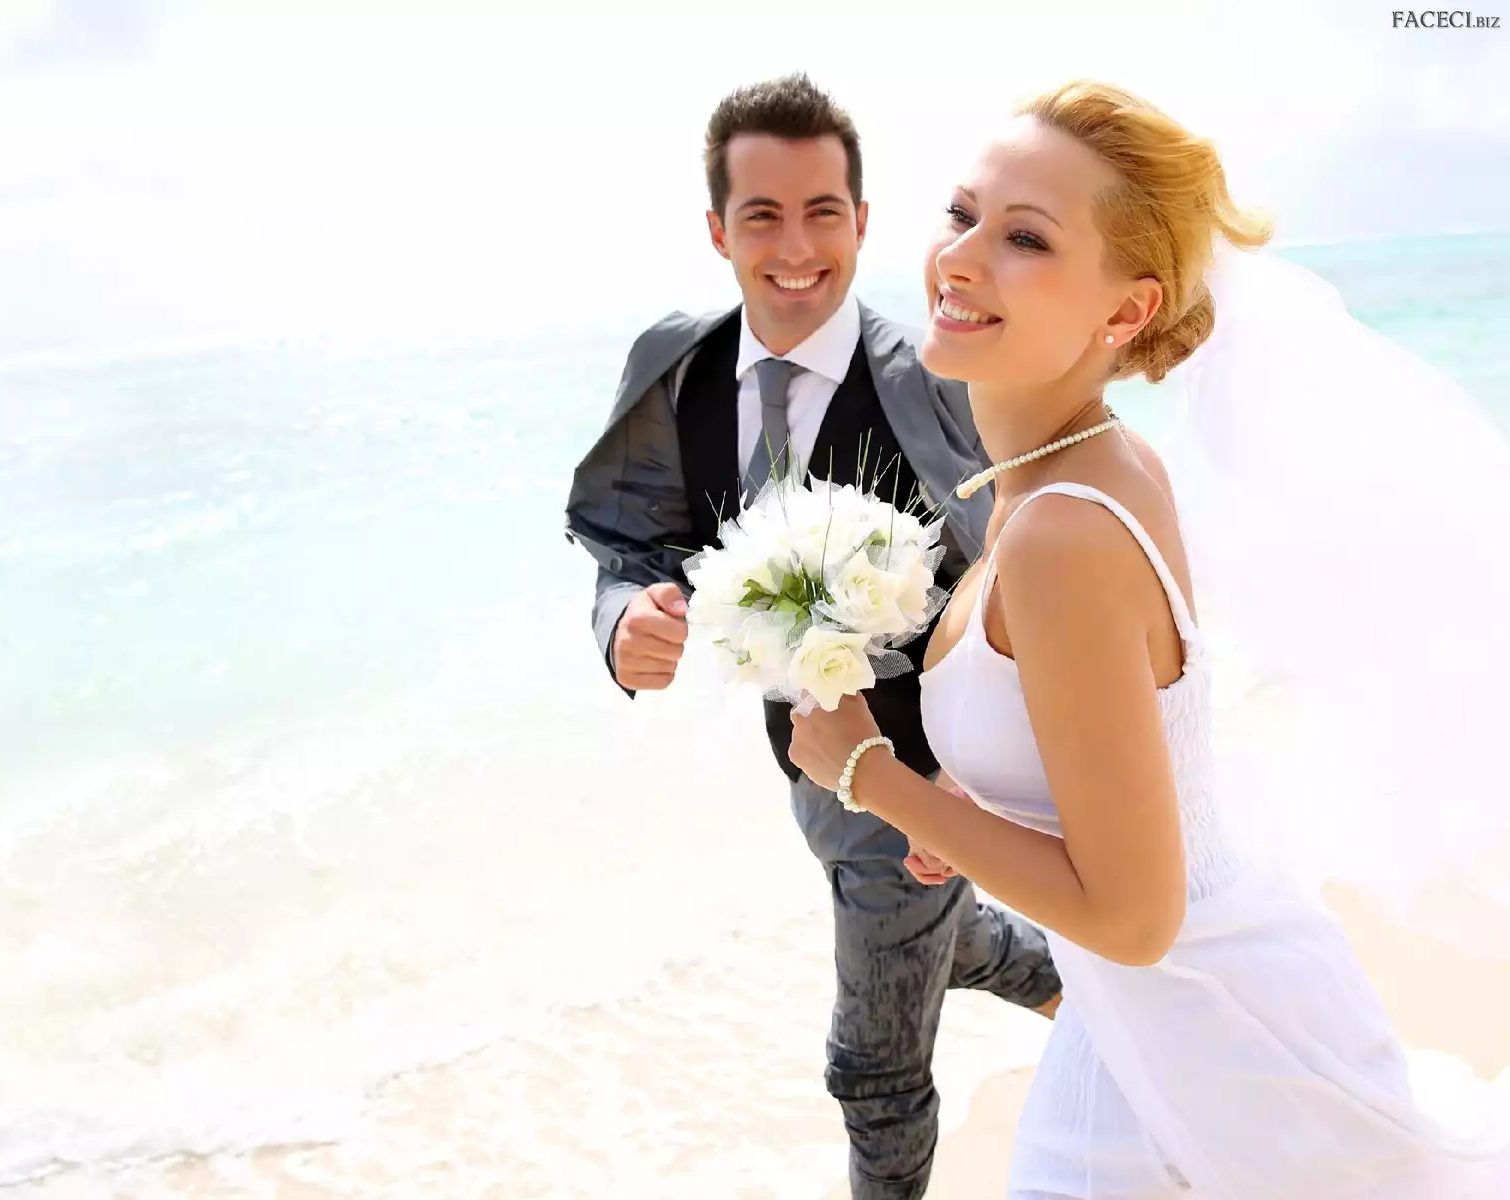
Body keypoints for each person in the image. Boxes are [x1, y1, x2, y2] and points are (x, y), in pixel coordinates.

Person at [787, 79, 1510, 1197]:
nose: (962, 259)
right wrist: (980, 817)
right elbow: (1120, 763)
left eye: (1027, 238)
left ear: (1127, 312)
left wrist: (872, 777)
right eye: (963, 213)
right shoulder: (1087, 467)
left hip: (1214, 1034)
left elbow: (1132, 916)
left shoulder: (1062, 529)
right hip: (1151, 1009)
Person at [563, 74, 1061, 1199]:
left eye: (821, 212)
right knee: (948, 938)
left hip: (927, 781)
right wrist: (624, 617)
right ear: (718, 230)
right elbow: (629, 532)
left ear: (862, 222)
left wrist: (974, 783)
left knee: (872, 1072)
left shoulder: (940, 383)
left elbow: (1028, 579)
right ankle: (1097, 1001)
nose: (795, 248)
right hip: (807, 770)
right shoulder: (679, 368)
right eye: (763, 216)